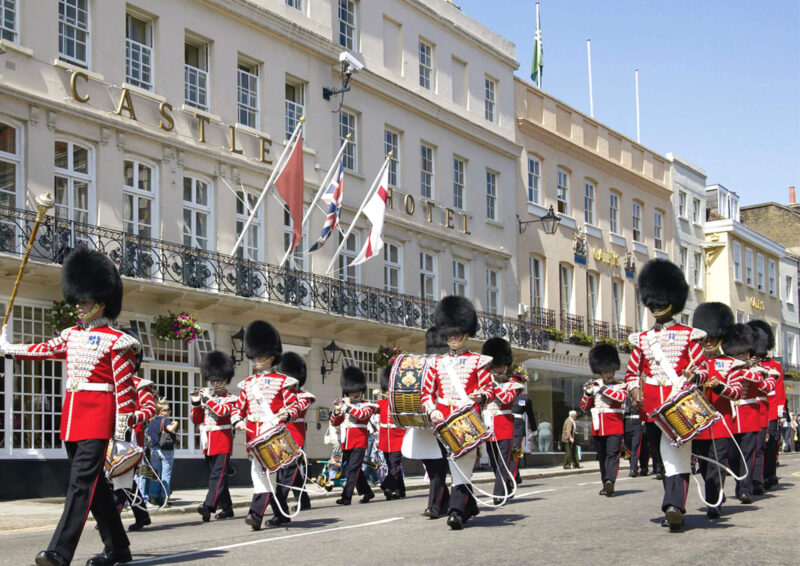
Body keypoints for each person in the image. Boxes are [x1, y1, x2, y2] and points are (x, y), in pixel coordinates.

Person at [0, 247, 140, 566]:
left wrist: (121, 431)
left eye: (85, 301)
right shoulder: (71, 335)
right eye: (78, 300)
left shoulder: (117, 341)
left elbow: (125, 388)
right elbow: (41, 350)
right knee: (96, 490)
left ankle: (60, 552)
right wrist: (7, 350)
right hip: (73, 420)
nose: (79, 306)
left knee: (79, 485)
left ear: (101, 302)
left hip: (98, 419)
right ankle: (118, 547)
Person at [625, 259, 706, 532]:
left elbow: (702, 369)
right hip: (650, 406)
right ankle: (672, 503)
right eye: (652, 301)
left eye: (661, 300)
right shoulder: (642, 339)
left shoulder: (689, 336)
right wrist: (634, 389)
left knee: (678, 457)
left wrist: (694, 375)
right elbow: (632, 371)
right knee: (662, 460)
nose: (656, 306)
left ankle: (675, 507)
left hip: (678, 403)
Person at [420, 296, 495, 531]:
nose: (453, 337)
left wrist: (481, 397)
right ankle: (468, 505)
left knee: (461, 469)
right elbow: (426, 393)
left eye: (457, 332)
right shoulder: (436, 363)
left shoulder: (478, 362)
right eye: (450, 333)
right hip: (441, 423)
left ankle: (455, 512)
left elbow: (489, 389)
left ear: (466, 333)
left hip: (467, 421)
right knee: (449, 467)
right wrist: (432, 410)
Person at [231, 320, 299, 530]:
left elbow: (294, 406)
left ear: (271, 357)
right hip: (253, 437)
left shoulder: (283, 381)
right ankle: (280, 514)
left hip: (275, 435)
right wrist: (238, 421)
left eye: (261, 356)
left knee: (266, 475)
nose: (257, 360)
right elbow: (238, 408)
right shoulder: (248, 384)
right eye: (255, 356)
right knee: (262, 475)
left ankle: (256, 514)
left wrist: (286, 414)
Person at [690, 302, 743, 518]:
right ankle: (714, 493)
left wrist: (720, 387)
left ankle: (714, 501)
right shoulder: (693, 363)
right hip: (698, 421)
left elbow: (737, 392)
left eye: (712, 338)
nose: (708, 342)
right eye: (706, 338)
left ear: (721, 338)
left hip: (720, 422)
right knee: (704, 465)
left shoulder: (731, 364)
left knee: (718, 464)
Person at [402, 326, 451, 519]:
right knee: (432, 468)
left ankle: (434, 506)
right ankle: (444, 502)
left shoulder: (448, 367)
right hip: (421, 423)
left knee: (438, 467)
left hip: (443, 422)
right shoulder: (421, 365)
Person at [113, 327, 157, 532]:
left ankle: (112, 515)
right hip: (111, 438)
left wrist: (132, 417)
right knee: (125, 480)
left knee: (122, 477)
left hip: (131, 438)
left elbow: (150, 410)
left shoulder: (140, 385)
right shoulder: (110, 385)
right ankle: (142, 515)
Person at [192, 351, 237, 522]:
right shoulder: (207, 397)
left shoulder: (231, 399)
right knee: (218, 475)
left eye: (218, 380)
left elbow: (222, 412)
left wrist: (207, 399)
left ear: (225, 380)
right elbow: (196, 419)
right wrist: (197, 403)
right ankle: (227, 508)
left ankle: (208, 505)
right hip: (208, 441)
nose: (215, 383)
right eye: (213, 380)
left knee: (217, 475)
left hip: (222, 440)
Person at [481, 337, 524, 504]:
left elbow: (506, 399)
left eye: (500, 366)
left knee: (503, 461)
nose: (498, 369)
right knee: (493, 462)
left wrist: (492, 386)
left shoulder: (513, 383)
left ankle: (498, 494)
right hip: (488, 426)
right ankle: (507, 486)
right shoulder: (486, 383)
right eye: (495, 366)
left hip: (505, 425)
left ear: (506, 366)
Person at [581, 343, 627, 497]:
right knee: (602, 456)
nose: (608, 373)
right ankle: (605, 483)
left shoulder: (620, 385)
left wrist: (601, 389)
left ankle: (610, 481)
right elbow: (584, 407)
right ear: (601, 371)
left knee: (612, 455)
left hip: (614, 425)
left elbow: (620, 398)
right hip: (598, 426)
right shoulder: (594, 385)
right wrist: (588, 393)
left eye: (610, 370)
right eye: (605, 371)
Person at [747, 320, 786, 490]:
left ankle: (768, 474)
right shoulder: (746, 364)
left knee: (768, 445)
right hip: (750, 410)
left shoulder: (773, 366)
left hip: (769, 411)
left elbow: (778, 393)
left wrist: (778, 413)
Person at [330, 366, 377, 505]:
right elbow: (334, 422)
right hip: (347, 440)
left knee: (352, 469)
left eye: (356, 390)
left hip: (359, 441)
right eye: (351, 390)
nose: (354, 393)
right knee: (351, 469)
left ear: (361, 390)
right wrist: (337, 411)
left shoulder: (367, 405)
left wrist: (346, 407)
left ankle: (346, 497)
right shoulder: (345, 404)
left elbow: (362, 415)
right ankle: (367, 492)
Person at [276, 352, 315, 512]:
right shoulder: (279, 395)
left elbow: (298, 411)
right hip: (279, 434)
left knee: (289, 469)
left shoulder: (304, 396)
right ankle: (304, 501)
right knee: (292, 470)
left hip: (295, 434)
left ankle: (280, 500)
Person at [376, 367, 407, 500]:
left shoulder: (401, 403)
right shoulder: (380, 403)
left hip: (398, 436)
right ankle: (400, 490)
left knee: (394, 465)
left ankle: (387, 486)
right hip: (385, 438)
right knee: (391, 466)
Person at [147, 400, 178, 507]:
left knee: (155, 475)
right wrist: (176, 423)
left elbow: (149, 437)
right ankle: (164, 498)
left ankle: (153, 498)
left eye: (169, 409)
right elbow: (170, 428)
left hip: (154, 450)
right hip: (166, 450)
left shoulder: (151, 421)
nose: (169, 411)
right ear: (161, 411)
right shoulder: (165, 420)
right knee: (166, 475)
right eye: (167, 409)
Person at [623, 396, 644, 477]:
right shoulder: (624, 398)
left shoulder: (639, 398)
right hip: (626, 424)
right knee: (628, 448)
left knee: (635, 447)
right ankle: (633, 466)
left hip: (637, 425)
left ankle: (632, 469)